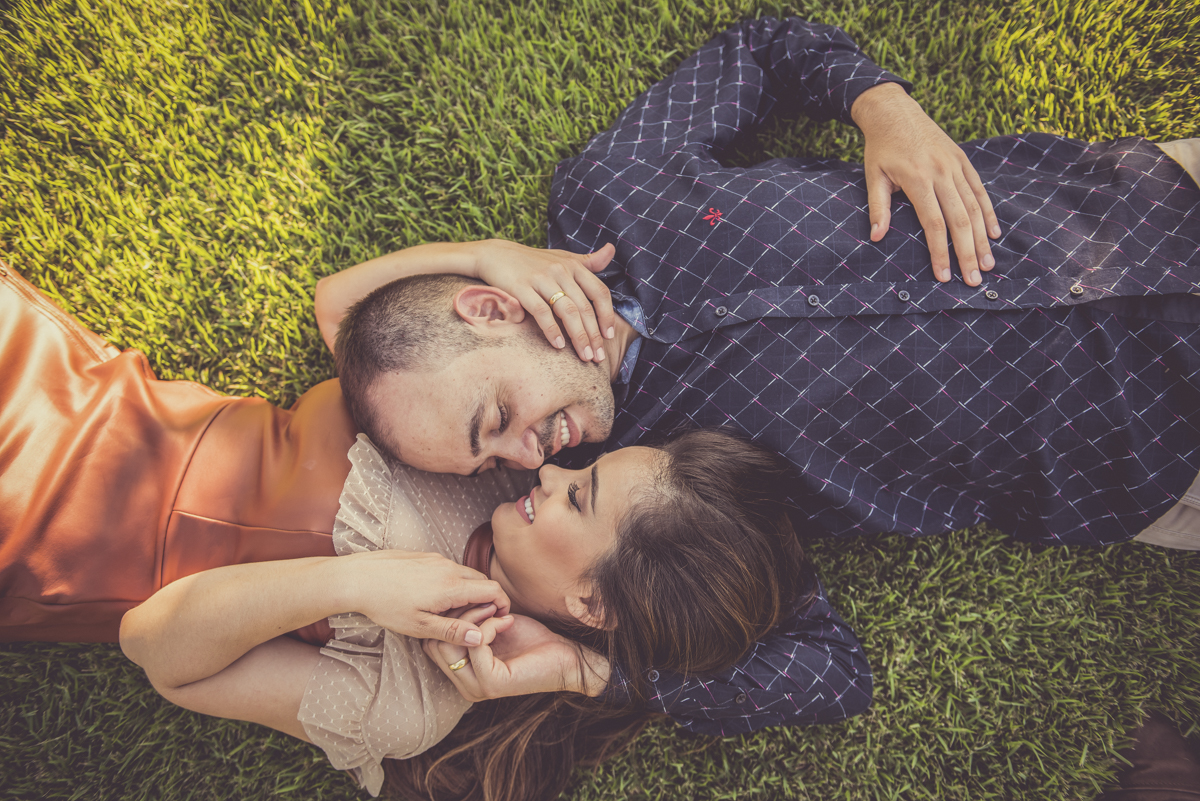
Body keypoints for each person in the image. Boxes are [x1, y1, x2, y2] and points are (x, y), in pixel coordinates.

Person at [320, 16, 1200, 730]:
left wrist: (883, 107)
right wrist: (590, 670)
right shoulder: (654, 495)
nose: (526, 457)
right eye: (489, 462)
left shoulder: (607, 194)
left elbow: (762, 47)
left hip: (1135, 208)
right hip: (1152, 441)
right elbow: (824, 672)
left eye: (496, 419)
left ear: (490, 310)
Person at [119, 427, 817, 800]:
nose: (552, 471)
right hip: (126, 401)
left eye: (579, 496)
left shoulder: (410, 701)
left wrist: (351, 581)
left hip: (82, 542)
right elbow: (342, 313)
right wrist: (485, 258)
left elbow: (152, 647)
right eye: (586, 467)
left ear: (593, 601)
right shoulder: (498, 450)